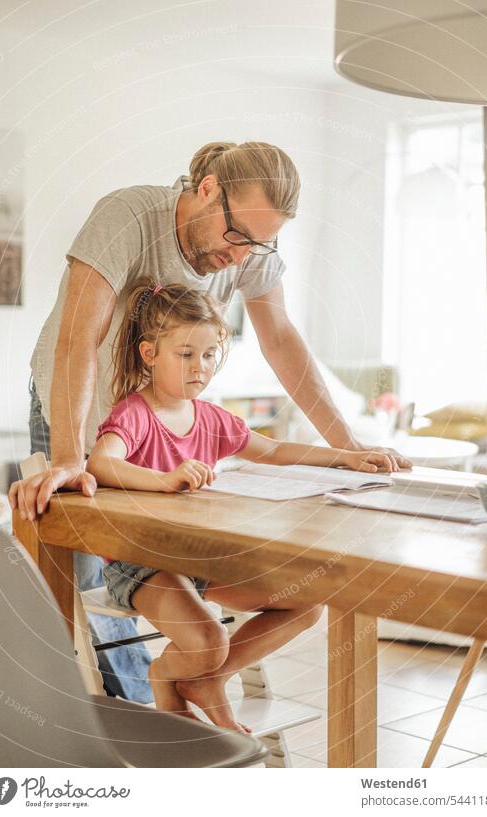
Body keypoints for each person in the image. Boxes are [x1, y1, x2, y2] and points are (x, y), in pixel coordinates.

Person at [9, 140, 411, 702]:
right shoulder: (128, 216)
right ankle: (130, 715)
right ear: (207, 190)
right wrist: (71, 457)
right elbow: (81, 335)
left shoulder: (252, 249)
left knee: (173, 559)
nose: (243, 257)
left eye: (262, 244)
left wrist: (346, 444)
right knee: (86, 573)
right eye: (238, 236)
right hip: (82, 409)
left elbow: (280, 339)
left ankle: (188, 688)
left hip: (166, 421)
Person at [86, 280, 398, 731]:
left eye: (209, 354)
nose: (200, 367)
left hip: (197, 557)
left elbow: (272, 451)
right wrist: (164, 479)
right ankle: (164, 675)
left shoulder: (210, 418)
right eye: (186, 354)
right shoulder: (135, 413)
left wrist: (346, 455)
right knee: (207, 639)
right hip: (140, 561)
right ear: (149, 354)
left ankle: (211, 681)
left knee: (307, 602)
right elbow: (101, 462)